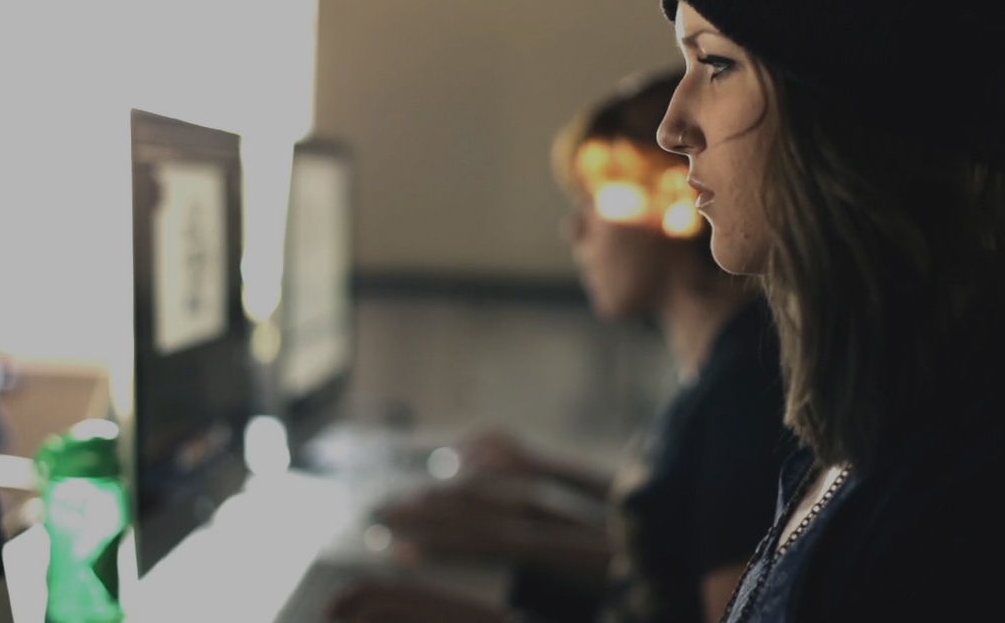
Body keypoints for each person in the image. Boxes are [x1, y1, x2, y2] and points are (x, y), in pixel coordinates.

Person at [652, 0, 1005, 621]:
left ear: (846, 104)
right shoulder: (870, 403)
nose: (673, 127)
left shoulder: (992, 472)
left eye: (716, 62)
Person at [329, 70, 794, 623]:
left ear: (680, 200)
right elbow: (666, 549)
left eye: (595, 200)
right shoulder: (728, 362)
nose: (575, 231)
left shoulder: (744, 393)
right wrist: (524, 512)